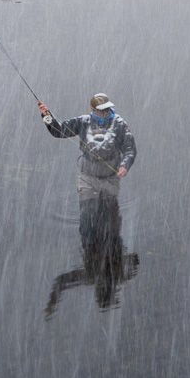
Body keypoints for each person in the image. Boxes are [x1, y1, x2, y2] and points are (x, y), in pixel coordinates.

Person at [38, 92, 137, 263]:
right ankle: (89, 248)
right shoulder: (82, 122)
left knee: (110, 213)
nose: (105, 113)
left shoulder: (120, 124)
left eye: (107, 109)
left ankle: (112, 248)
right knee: (87, 213)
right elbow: (58, 131)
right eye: (101, 110)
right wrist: (46, 116)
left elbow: (130, 149)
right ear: (92, 109)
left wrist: (124, 165)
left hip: (110, 176)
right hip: (87, 175)